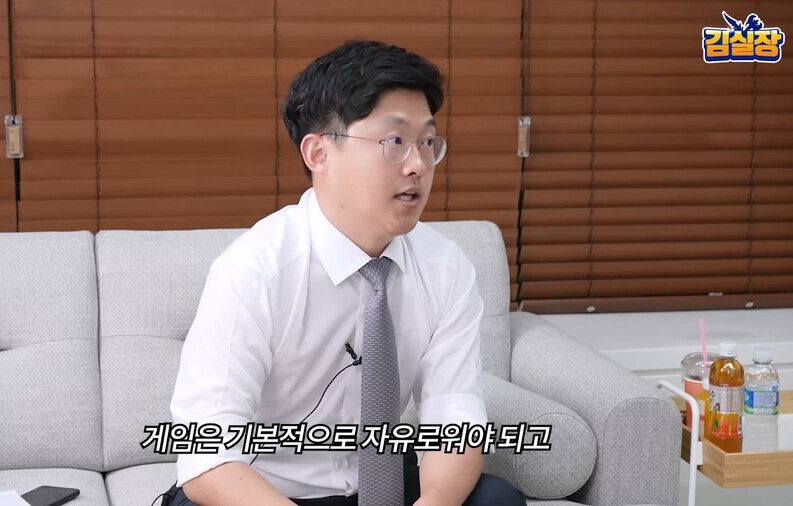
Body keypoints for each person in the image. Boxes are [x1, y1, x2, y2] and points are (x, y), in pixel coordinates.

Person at [167, 40, 526, 506]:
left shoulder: (446, 267)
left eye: (427, 142)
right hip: (263, 490)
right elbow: (206, 455)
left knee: (496, 499)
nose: (418, 165)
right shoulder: (255, 270)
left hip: (379, 486)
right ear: (319, 154)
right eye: (394, 142)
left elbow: (454, 417)